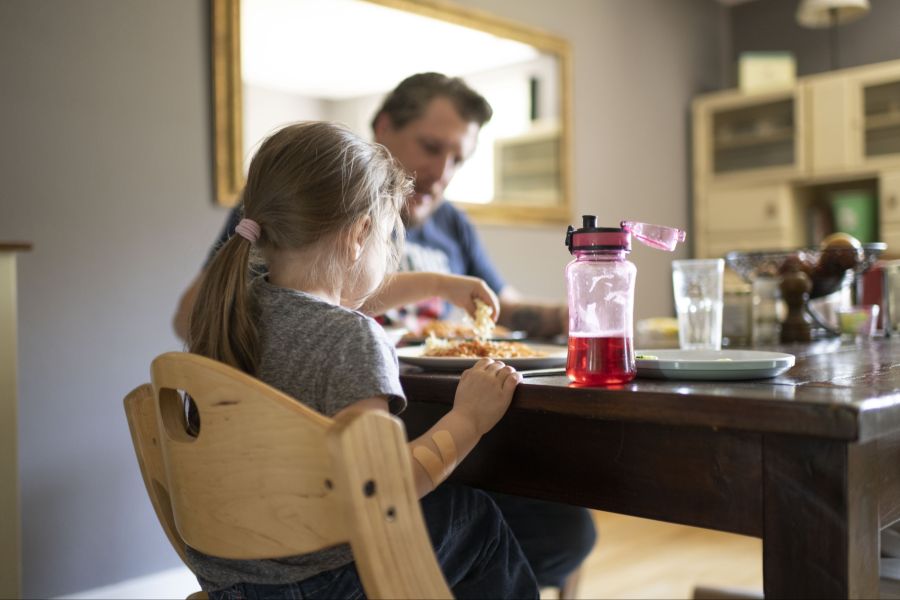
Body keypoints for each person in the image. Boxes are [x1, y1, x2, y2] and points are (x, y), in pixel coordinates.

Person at [174, 72, 596, 591]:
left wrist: (438, 283)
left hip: (233, 575)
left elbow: (332, 298)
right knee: (474, 517)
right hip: (324, 580)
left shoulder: (236, 310)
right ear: (360, 236)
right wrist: (469, 418)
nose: (442, 170)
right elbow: (385, 488)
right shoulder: (352, 339)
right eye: (388, 237)